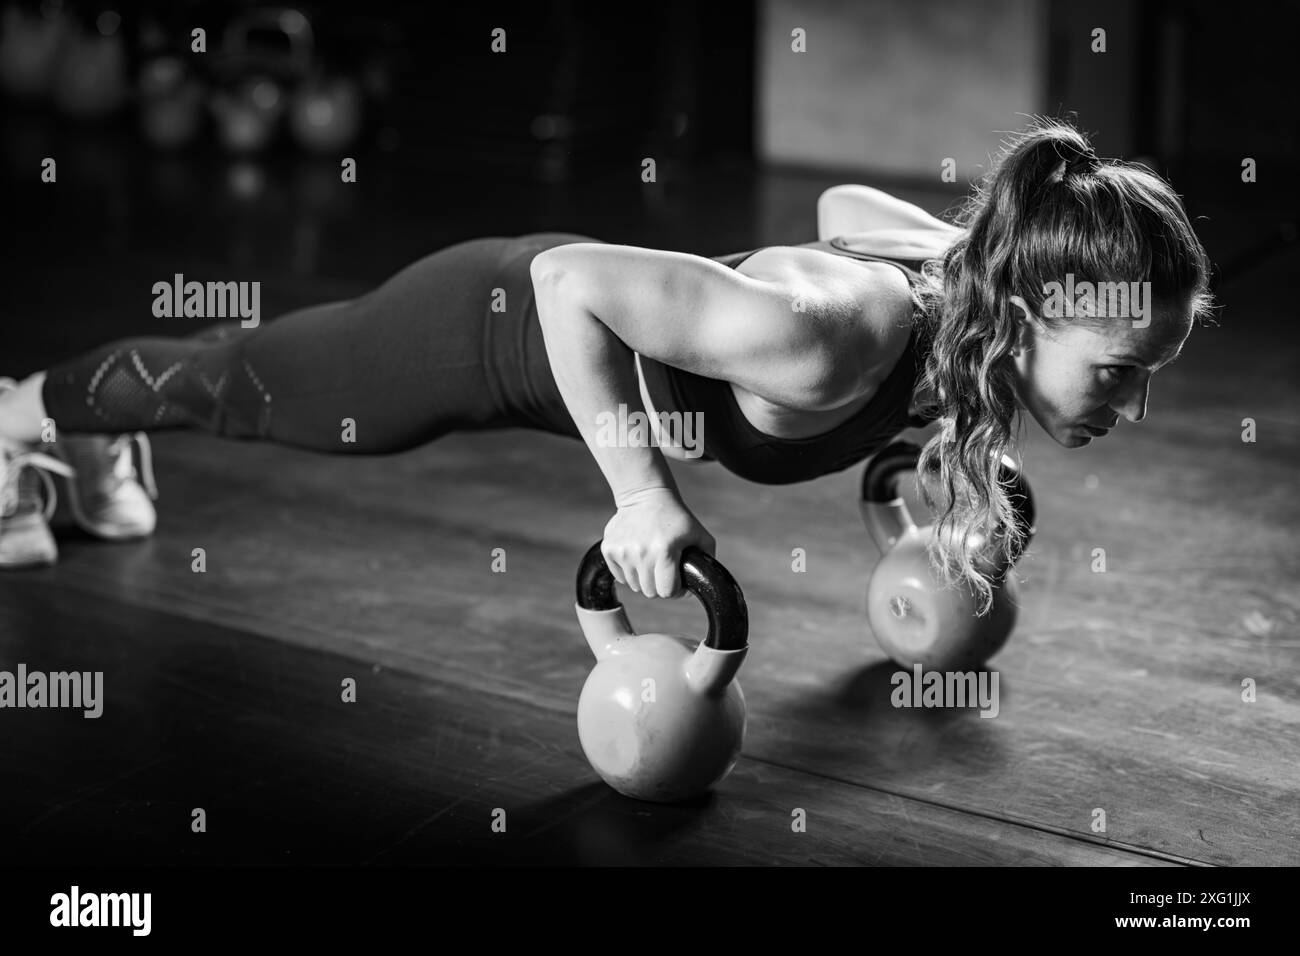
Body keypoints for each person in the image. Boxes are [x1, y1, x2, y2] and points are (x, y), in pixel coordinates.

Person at [0, 119, 1213, 610]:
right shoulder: (834, 329)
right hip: (485, 322)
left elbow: (848, 199)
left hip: (538, 315)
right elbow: (566, 282)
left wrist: (932, 459)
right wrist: (642, 493)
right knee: (251, 389)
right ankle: (19, 415)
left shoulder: (959, 298)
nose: (1133, 400)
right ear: (1026, 309)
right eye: (1115, 367)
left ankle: (98, 444)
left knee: (257, 366)